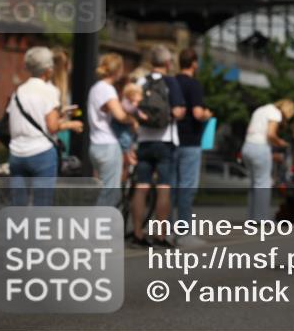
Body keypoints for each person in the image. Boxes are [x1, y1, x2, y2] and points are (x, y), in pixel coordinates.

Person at [7, 46, 84, 205]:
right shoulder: (49, 91)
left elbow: (14, 122)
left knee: (18, 205)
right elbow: (52, 127)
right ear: (48, 70)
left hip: (16, 154)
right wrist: (71, 124)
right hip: (41, 153)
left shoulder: (19, 91)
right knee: (42, 205)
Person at [130, 45, 186, 247]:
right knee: (163, 188)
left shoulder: (142, 81)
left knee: (141, 186)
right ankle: (160, 235)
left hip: (144, 141)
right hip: (165, 141)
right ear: (168, 63)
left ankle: (137, 233)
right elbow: (179, 111)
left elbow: (131, 108)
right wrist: (170, 115)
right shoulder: (171, 82)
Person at [87, 53, 140, 207]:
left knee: (102, 191)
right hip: (108, 145)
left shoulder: (95, 88)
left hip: (95, 144)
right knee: (110, 194)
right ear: (117, 70)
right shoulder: (107, 89)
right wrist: (133, 120)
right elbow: (120, 115)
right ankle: (99, 229)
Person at [174, 48, 212, 247]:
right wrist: (207, 114)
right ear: (194, 63)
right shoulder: (194, 85)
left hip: (172, 140)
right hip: (190, 141)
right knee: (187, 187)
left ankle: (163, 231)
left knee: (170, 186)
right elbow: (197, 113)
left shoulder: (172, 82)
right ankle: (184, 233)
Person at [242, 99, 294, 221]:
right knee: (263, 184)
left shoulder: (260, 110)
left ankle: (252, 217)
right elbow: (270, 134)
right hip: (260, 147)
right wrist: (281, 143)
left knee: (254, 184)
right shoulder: (275, 113)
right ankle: (261, 218)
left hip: (247, 147)